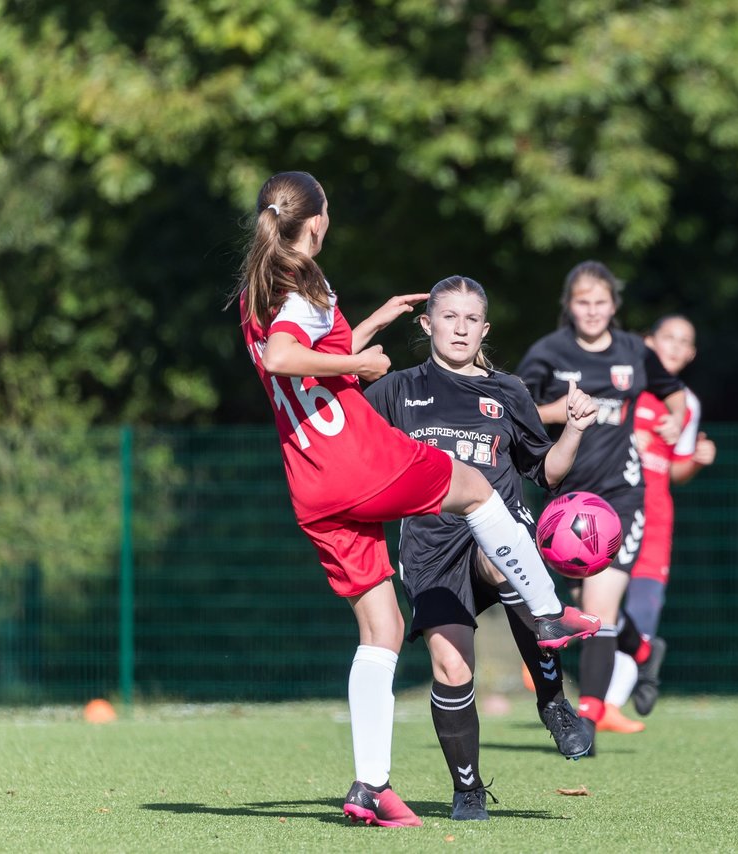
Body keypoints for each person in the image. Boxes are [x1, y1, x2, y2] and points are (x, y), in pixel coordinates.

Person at [232, 172, 600, 827]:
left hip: (309, 481)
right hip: (352, 458)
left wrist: (368, 325)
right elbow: (287, 358)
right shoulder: (304, 284)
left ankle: (370, 787)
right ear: (314, 222)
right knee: (474, 486)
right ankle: (545, 613)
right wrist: (368, 367)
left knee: (383, 629)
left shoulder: (257, 288)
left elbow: (302, 352)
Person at [366, 275, 599, 821]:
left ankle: (553, 703)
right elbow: (332, 411)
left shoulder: (508, 391)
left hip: (497, 534)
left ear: (485, 329)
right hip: (428, 547)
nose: (461, 328)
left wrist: (576, 430)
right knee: (451, 667)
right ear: (427, 325)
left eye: (472, 319)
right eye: (449, 317)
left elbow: (546, 471)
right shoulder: (398, 390)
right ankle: (467, 789)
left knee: (502, 561)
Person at [517, 260, 686, 748]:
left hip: (620, 496)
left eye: (601, 302)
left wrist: (675, 423)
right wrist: (563, 411)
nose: (592, 311)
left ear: (614, 305)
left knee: (597, 605)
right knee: (582, 602)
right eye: (582, 302)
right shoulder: (549, 353)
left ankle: (587, 722)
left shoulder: (635, 350)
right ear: (569, 306)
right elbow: (520, 409)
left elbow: (672, 393)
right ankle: (643, 649)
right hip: (564, 496)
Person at [604, 315, 717, 718]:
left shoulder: (688, 403)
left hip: (654, 518)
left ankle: (607, 707)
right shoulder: (621, 383)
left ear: (690, 354)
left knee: (643, 607)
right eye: (666, 337)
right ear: (647, 341)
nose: (673, 346)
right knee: (593, 603)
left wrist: (698, 461)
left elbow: (675, 470)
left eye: (682, 342)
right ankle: (642, 656)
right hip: (607, 510)